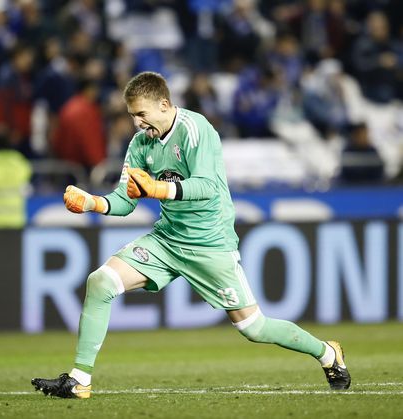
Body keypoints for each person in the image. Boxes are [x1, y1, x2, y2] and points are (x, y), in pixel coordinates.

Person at [31, 71, 351, 399]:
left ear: (164, 104)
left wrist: (158, 189)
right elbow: (125, 201)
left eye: (141, 114)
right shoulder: (140, 144)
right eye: (132, 116)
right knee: (101, 282)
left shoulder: (197, 129)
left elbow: (207, 186)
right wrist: (92, 202)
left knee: (254, 328)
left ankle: (327, 353)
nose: (137, 123)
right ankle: (80, 380)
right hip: (168, 239)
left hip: (210, 243)